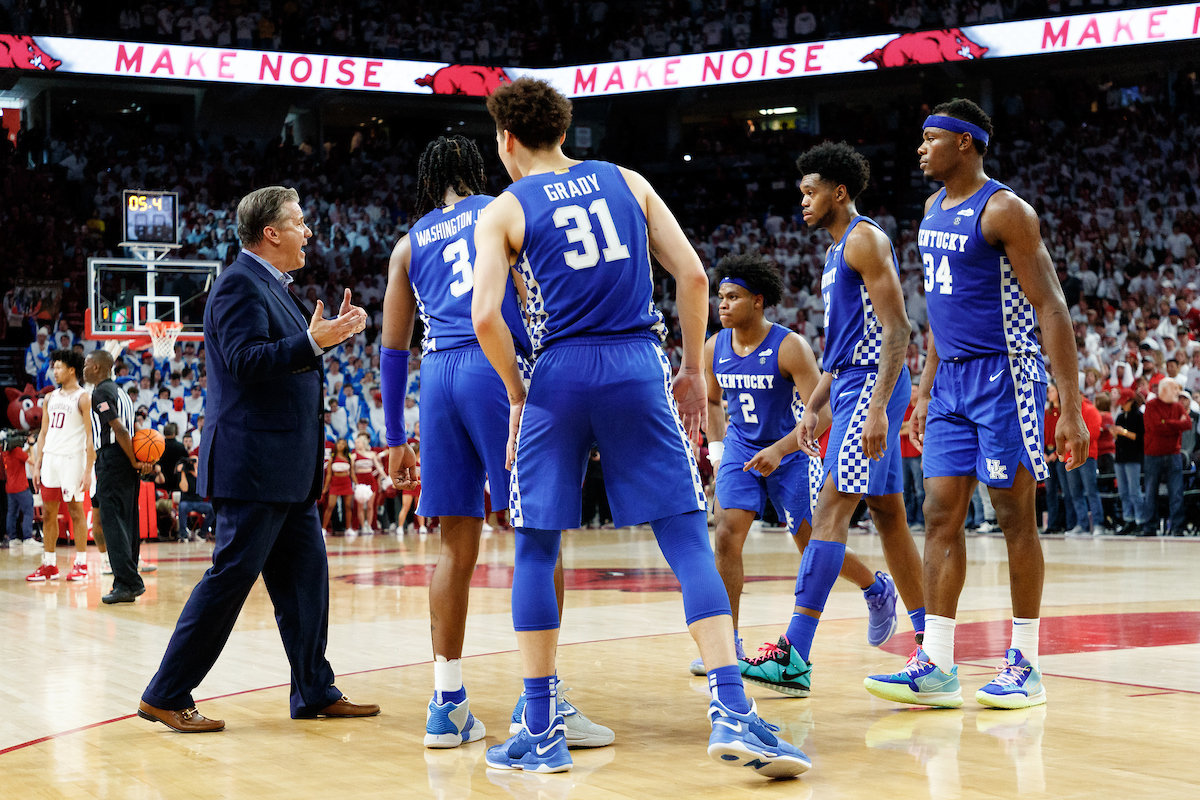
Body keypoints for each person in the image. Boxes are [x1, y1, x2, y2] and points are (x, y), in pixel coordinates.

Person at [473, 77, 807, 777]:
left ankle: (540, 728)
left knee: (536, 547)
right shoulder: (626, 180)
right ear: (565, 133)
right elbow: (690, 276)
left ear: (506, 139)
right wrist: (690, 369)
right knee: (687, 537)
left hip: (559, 372)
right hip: (635, 361)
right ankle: (732, 709)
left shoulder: (504, 207)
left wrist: (516, 391)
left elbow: (483, 318)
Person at [381, 135, 611, 751]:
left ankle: (446, 704)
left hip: (438, 380)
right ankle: (543, 700)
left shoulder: (408, 243)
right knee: (537, 534)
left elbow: (392, 347)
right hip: (495, 368)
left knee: (456, 548)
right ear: (476, 170)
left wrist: (394, 437)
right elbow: (539, 296)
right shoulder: (502, 207)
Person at [867, 99, 1088, 710]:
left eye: (931, 137)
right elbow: (940, 312)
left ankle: (1027, 664)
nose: (920, 147)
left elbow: (1051, 305)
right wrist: (924, 385)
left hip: (1005, 377)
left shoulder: (1006, 211)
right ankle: (936, 661)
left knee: (1016, 515)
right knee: (939, 513)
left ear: (965, 143)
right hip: (952, 384)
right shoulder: (932, 209)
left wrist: (1068, 405)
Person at [139, 185, 378, 733]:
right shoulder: (236, 286)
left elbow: (287, 358)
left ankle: (314, 689)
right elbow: (246, 362)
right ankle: (166, 692)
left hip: (285, 467)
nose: (308, 231)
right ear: (270, 233)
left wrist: (326, 337)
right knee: (230, 578)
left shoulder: (274, 287)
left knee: (306, 581)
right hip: (254, 464)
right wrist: (313, 343)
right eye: (299, 222)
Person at [739, 142, 926, 700]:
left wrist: (874, 406)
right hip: (848, 383)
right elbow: (842, 347)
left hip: (872, 384)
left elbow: (897, 331)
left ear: (839, 192)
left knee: (829, 513)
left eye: (810, 190)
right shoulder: (833, 252)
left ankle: (794, 654)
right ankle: (932, 648)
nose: (802, 200)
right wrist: (816, 404)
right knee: (890, 516)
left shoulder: (864, 238)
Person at [691, 252, 918, 682]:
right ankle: (728, 645)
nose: (722, 305)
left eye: (732, 297)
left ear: (758, 301)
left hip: (793, 452)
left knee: (811, 544)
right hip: (741, 451)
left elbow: (824, 411)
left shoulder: (789, 345)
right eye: (720, 297)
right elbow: (715, 403)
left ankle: (875, 586)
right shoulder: (713, 347)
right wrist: (719, 451)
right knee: (725, 535)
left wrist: (780, 449)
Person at [83, 349, 154, 603]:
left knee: (112, 521)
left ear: (97, 368)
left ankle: (127, 583)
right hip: (125, 457)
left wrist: (134, 458)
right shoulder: (122, 392)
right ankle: (129, 580)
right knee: (127, 521)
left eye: (86, 364)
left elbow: (119, 428)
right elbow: (133, 429)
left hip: (113, 458)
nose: (83, 368)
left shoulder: (100, 392)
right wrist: (137, 459)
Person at [27, 350, 98, 583]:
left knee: (76, 512)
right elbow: (43, 433)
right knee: (49, 513)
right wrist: (38, 464)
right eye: (53, 367)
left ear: (71, 370)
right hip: (50, 460)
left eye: (58, 367)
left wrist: (88, 470)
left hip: (72, 460)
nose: (54, 371)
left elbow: (90, 437)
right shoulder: (50, 398)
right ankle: (49, 564)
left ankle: (81, 564)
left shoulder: (84, 397)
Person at [1142, 377, 1190, 536]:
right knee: (1150, 492)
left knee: (1176, 492)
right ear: (1164, 390)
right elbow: (1157, 428)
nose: (1178, 392)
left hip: (1173, 454)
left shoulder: (1178, 406)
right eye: (1175, 389)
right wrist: (1176, 424)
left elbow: (1187, 424)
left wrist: (1167, 423)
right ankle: (1149, 527)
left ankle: (1177, 527)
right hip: (1153, 454)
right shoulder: (1151, 406)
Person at [1065, 396, 1104, 535]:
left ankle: (1098, 524)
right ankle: (1082, 524)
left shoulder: (1091, 410)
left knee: (1091, 490)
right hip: (1069, 456)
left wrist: (1073, 443)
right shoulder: (1067, 412)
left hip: (1087, 456)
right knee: (1074, 492)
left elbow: (1093, 433)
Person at [1110, 389, 1145, 534]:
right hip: (1120, 457)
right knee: (1123, 492)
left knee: (1134, 491)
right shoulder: (1119, 417)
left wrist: (1123, 432)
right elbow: (1118, 440)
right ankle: (1128, 519)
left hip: (1133, 458)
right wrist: (1115, 433)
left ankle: (1140, 520)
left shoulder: (1139, 417)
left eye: (1124, 403)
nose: (1122, 406)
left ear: (1131, 401)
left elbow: (1139, 438)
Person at [1042, 383, 1075, 532]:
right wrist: (1043, 452)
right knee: (1050, 491)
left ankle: (1070, 523)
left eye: (1052, 391)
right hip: (1046, 452)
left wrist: (1057, 453)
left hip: (1059, 451)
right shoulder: (1045, 412)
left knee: (1066, 489)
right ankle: (1052, 524)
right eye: (1048, 392)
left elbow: (1066, 434)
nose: (1049, 394)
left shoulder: (1064, 413)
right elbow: (1041, 433)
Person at [900, 381, 926, 531]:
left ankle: (920, 521)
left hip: (917, 453)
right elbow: (897, 428)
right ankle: (908, 521)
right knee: (905, 489)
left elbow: (916, 429)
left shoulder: (920, 409)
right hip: (903, 454)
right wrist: (907, 426)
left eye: (914, 390)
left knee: (920, 489)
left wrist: (905, 426)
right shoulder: (905, 408)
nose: (911, 393)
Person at [350, 432, 385, 534]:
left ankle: (369, 526)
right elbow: (351, 470)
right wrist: (355, 483)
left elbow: (378, 467)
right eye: (355, 442)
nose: (356, 444)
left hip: (371, 480)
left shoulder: (371, 454)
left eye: (358, 442)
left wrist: (386, 478)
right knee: (360, 506)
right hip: (360, 481)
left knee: (370, 506)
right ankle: (362, 526)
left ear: (363, 443)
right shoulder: (354, 456)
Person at [321, 438, 354, 535]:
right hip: (335, 483)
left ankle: (348, 528)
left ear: (346, 446)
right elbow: (328, 475)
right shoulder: (333, 458)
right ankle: (323, 528)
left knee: (348, 507)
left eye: (343, 443)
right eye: (339, 443)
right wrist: (325, 488)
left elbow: (352, 473)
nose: (340, 445)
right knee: (330, 506)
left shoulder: (348, 458)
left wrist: (357, 484)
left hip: (346, 483)